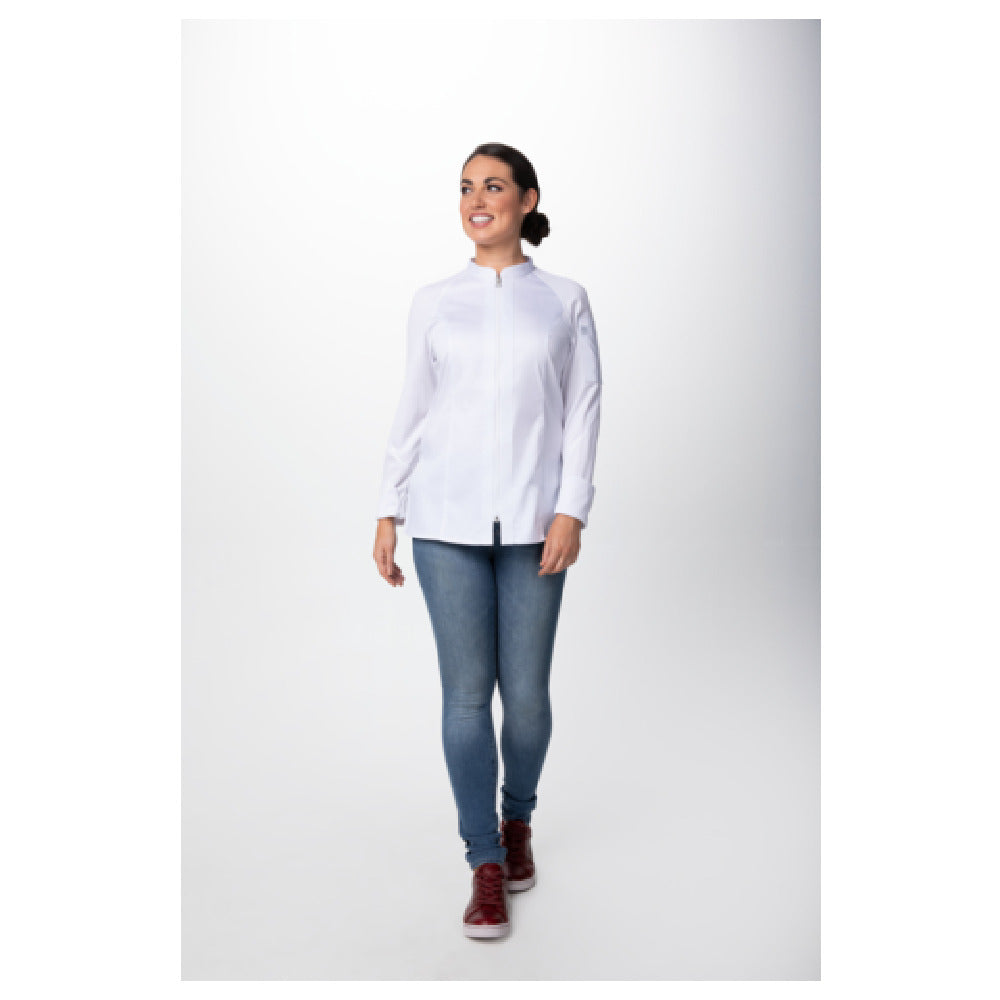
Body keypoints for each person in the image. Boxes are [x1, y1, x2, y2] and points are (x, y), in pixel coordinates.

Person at [372, 142, 603, 939]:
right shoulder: (435, 301)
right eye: (467, 187)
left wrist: (572, 508)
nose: (477, 200)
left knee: (527, 698)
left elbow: (584, 407)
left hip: (537, 522)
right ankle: (484, 862)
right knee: (467, 697)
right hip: (445, 521)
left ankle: (518, 818)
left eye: (494, 186)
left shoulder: (564, 299)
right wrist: (387, 508)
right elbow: (413, 406)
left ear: (526, 199)